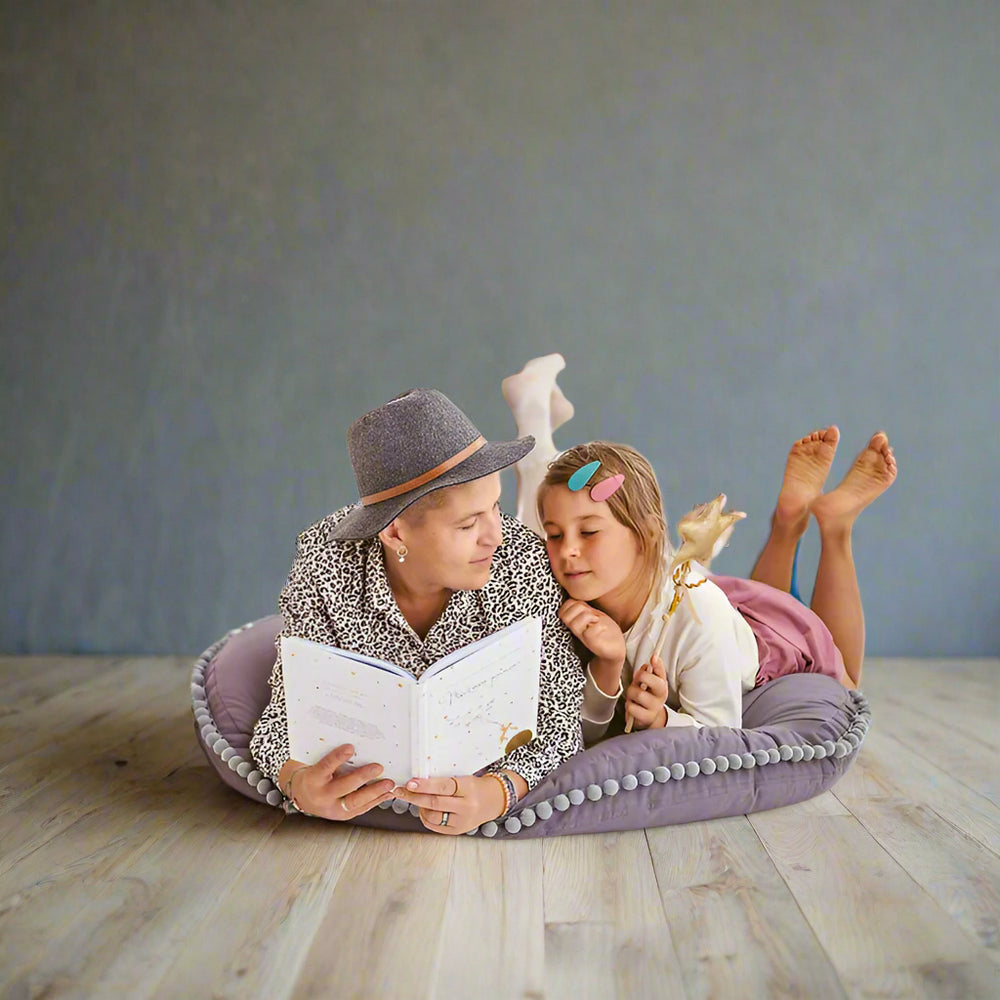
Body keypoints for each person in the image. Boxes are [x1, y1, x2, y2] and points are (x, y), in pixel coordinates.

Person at [502, 355, 897, 743]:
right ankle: (788, 522)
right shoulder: (565, 602)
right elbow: (572, 733)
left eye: (588, 532)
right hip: (720, 601)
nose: (566, 550)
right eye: (553, 535)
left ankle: (835, 526)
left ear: (645, 536)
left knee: (849, 688)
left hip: (772, 645)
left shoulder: (697, 620)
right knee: (761, 602)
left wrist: (660, 722)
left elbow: (723, 736)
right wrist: (608, 667)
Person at [249, 388, 586, 833]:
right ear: (394, 533)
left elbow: (562, 715)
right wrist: (297, 783)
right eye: (468, 524)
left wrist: (499, 790)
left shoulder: (521, 559)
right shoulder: (323, 563)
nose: (495, 536)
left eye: (496, 508)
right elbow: (280, 720)